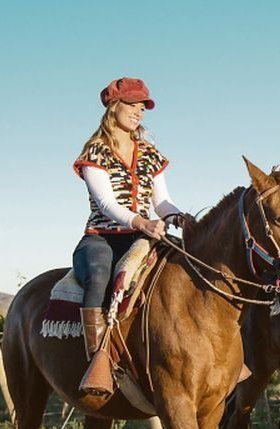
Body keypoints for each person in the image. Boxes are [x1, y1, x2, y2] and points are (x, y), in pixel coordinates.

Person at [71, 77, 193, 396]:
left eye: (143, 106)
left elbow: (161, 200)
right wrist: (142, 221)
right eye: (132, 104)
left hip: (143, 235)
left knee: (187, 269)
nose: (139, 111)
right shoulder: (96, 151)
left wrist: (178, 216)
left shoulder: (150, 153)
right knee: (98, 276)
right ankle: (98, 361)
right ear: (114, 106)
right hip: (102, 238)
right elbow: (107, 203)